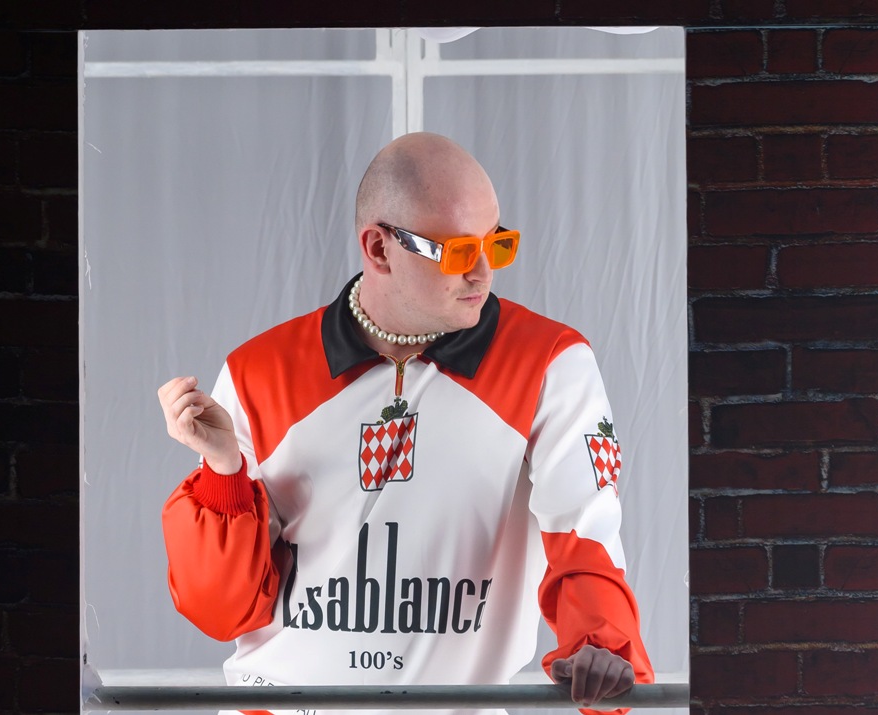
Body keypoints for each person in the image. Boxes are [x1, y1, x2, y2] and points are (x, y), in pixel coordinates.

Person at [158, 132, 653, 715]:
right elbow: (221, 611)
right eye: (459, 252)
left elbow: (585, 538)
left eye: (497, 244)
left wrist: (601, 645)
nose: (483, 273)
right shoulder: (255, 372)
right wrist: (223, 471)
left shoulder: (549, 363)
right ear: (378, 248)